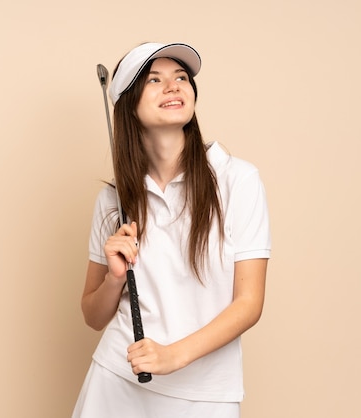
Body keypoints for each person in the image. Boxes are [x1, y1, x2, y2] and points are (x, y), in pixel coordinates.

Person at [72, 42, 271, 418]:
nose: (174, 86)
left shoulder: (237, 180)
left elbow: (249, 304)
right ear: (129, 106)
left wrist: (171, 356)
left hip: (207, 393)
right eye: (155, 80)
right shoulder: (113, 200)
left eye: (181, 77)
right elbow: (93, 316)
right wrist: (115, 278)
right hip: (117, 381)